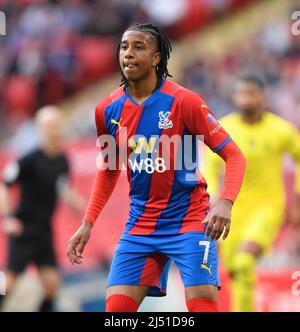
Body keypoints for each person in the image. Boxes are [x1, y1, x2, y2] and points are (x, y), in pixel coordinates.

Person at [67, 23, 246, 312]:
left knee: (202, 305)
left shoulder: (185, 102)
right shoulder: (107, 110)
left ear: (156, 58)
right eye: (124, 47)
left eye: (139, 47)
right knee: (115, 312)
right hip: (140, 225)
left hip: (190, 222)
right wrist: (88, 223)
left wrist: (225, 202)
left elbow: (235, 155)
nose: (128, 53)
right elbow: (110, 168)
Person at [204, 73, 300, 312]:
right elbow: (209, 164)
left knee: (245, 260)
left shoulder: (280, 130)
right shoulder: (224, 128)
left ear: (263, 96)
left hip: (268, 208)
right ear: (234, 97)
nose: (246, 99)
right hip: (232, 212)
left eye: (251, 93)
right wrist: (213, 196)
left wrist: (297, 198)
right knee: (237, 273)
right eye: (241, 94)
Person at [0, 106, 84, 312]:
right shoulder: (29, 158)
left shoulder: (62, 160)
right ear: (41, 128)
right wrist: (7, 218)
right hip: (24, 229)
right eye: (50, 125)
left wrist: (81, 206)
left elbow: (63, 187)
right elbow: (4, 185)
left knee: (52, 288)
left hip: (44, 231)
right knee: (7, 283)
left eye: (57, 124)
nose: (55, 128)